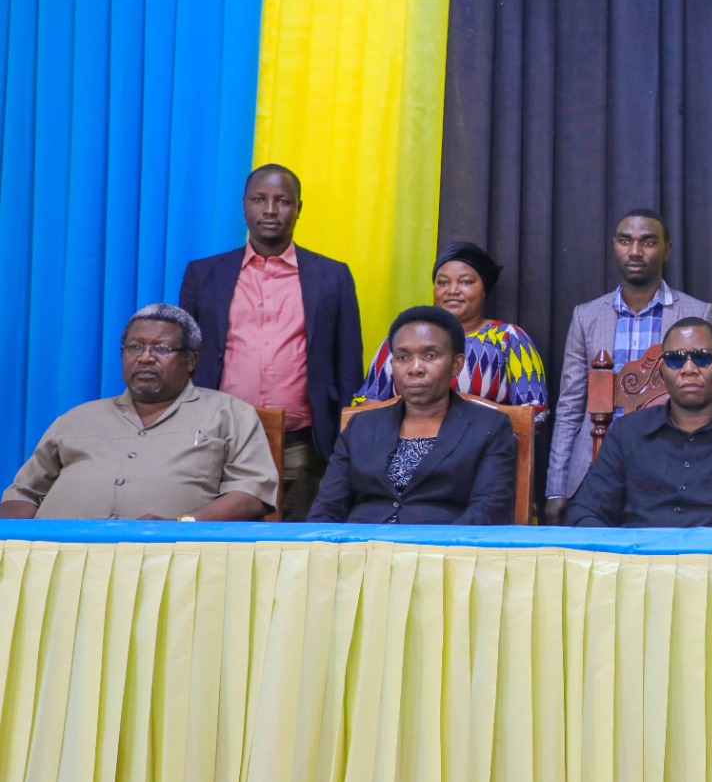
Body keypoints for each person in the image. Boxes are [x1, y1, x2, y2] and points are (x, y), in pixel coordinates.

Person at [179, 163, 363, 520]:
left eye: (283, 201)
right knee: (220, 543)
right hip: (219, 442)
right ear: (244, 205)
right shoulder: (203, 274)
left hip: (303, 445)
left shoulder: (332, 276)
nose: (270, 210)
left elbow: (348, 365)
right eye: (259, 199)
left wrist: (344, 442)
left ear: (299, 208)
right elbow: (184, 357)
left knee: (298, 545)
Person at [1, 305, 277, 521]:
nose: (145, 357)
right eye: (135, 347)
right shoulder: (76, 419)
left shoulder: (230, 414)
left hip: (173, 559)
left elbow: (251, 493)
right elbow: (23, 494)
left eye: (161, 349)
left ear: (191, 360)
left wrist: (182, 525)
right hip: (58, 560)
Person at [546, 209, 712, 521]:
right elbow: (570, 406)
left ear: (667, 250)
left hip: (670, 465)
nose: (635, 251)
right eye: (626, 241)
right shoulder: (586, 316)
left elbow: (707, 401)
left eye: (648, 242)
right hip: (595, 465)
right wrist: (556, 489)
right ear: (615, 246)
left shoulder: (697, 313)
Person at [565, 318, 712, 528]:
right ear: (663, 371)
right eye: (675, 359)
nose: (689, 369)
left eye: (702, 357)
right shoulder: (626, 432)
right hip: (642, 561)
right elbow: (585, 512)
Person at [308, 307, 518, 525]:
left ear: (456, 364)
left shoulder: (489, 427)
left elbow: (487, 512)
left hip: (443, 543)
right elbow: (327, 508)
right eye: (403, 357)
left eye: (430, 356)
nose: (415, 368)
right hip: (361, 542)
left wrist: (431, 546)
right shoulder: (361, 426)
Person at [352, 241, 548, 415]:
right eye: (443, 282)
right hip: (406, 443)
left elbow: (533, 410)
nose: (452, 290)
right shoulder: (403, 338)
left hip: (484, 444)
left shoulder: (507, 337)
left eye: (465, 282)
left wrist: (470, 426)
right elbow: (365, 404)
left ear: (484, 289)